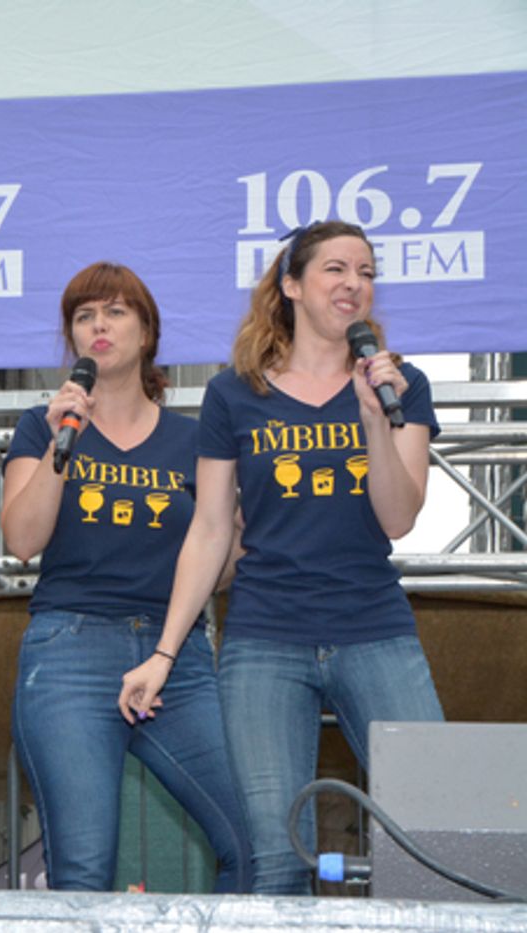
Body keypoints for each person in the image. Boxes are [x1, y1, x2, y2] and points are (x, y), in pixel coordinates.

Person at [118, 221, 443, 894]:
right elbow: (209, 530)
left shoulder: (399, 384)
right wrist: (165, 651)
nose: (355, 283)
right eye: (336, 269)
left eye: (367, 271)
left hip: (374, 626)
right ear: (292, 285)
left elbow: (399, 516)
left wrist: (377, 421)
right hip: (264, 638)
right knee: (275, 855)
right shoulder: (234, 393)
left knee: (433, 832)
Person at [1, 262, 250, 892]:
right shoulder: (42, 426)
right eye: (84, 316)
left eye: (115, 312)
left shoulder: (197, 439)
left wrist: (231, 536)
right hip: (70, 654)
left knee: (257, 844)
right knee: (82, 870)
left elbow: (222, 564)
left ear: (147, 333)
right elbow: (23, 540)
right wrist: (64, 439)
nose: (98, 326)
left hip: (178, 657)